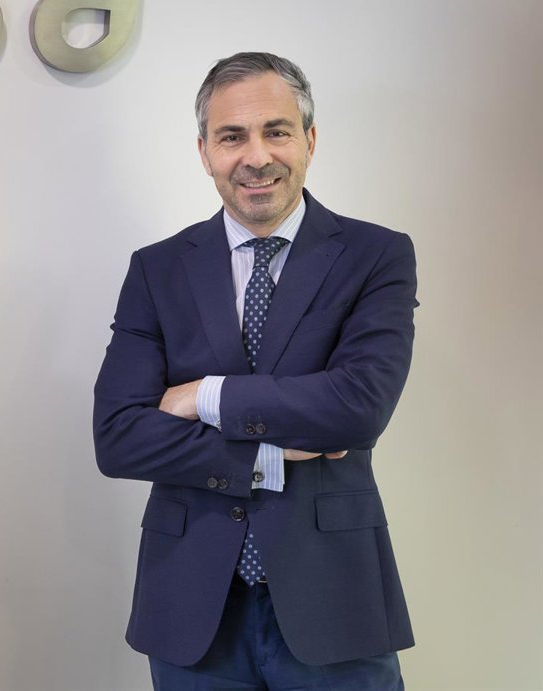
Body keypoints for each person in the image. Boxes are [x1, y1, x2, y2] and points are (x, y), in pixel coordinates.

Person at [93, 52, 416, 688]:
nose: (256, 156)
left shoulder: (376, 255)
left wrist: (203, 396)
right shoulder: (157, 269)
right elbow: (119, 437)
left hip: (334, 601)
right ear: (204, 151)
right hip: (192, 608)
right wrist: (266, 457)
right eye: (232, 136)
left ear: (310, 140)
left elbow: (358, 408)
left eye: (277, 131)